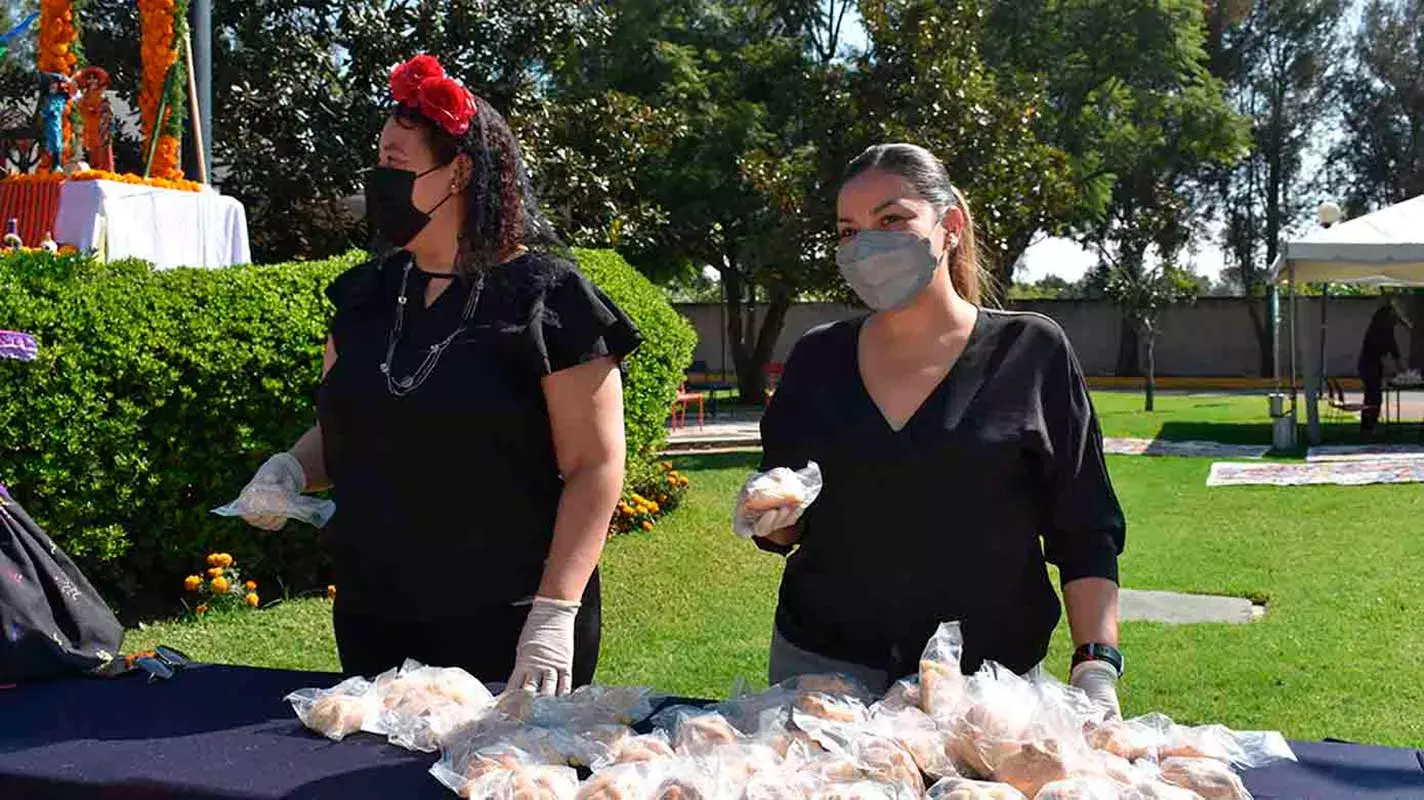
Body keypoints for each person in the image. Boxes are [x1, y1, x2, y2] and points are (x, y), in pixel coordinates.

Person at [233, 55, 640, 696]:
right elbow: (348, 422)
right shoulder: (365, 297)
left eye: (396, 164)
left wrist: (554, 611)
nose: (378, 181)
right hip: (376, 618)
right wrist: (290, 468)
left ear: (461, 172)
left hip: (509, 625)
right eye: (378, 163)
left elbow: (595, 465)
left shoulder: (549, 301)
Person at [734, 143, 1127, 718]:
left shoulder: (1032, 352)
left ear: (950, 227)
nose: (867, 244)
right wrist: (770, 520)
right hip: (823, 678)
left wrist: (1095, 666)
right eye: (848, 231)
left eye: (892, 219)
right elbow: (791, 518)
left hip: (991, 688)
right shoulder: (817, 359)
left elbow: (1086, 525)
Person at [1357, 297, 1411, 435]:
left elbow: (1394, 352)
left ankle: (1367, 426)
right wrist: (1406, 373)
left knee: (1371, 396)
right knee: (1374, 397)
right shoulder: (1382, 332)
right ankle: (1369, 426)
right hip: (1369, 366)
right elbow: (1395, 354)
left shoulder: (1378, 328)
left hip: (1368, 365)